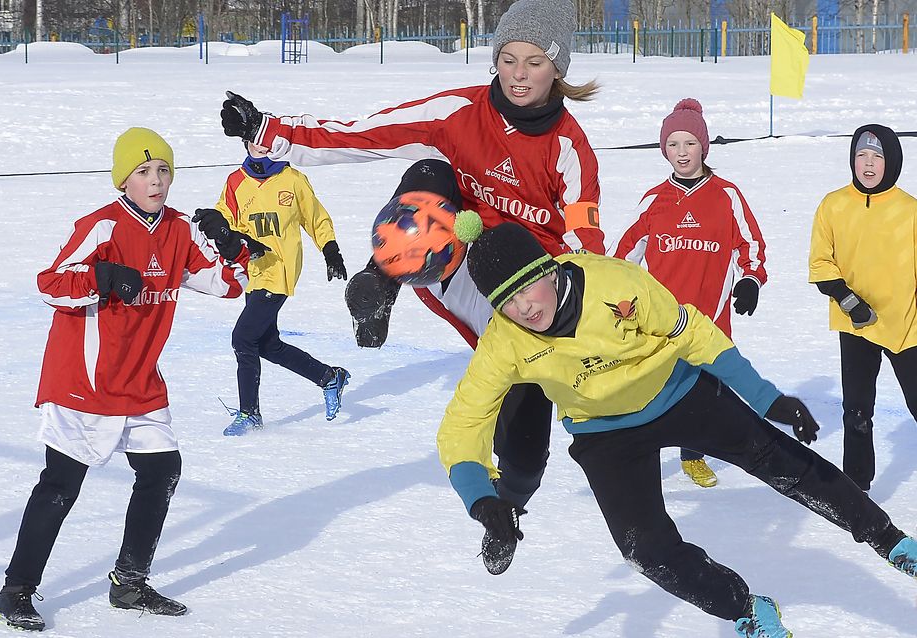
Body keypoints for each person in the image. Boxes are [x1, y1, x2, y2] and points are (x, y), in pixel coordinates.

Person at [218, 0, 604, 572]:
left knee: (524, 460)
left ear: (559, 70)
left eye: (535, 61)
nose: (518, 74)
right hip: (449, 258)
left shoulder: (569, 148)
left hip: (522, 299)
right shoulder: (461, 110)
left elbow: (586, 245)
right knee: (428, 171)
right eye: (507, 58)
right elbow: (370, 134)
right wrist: (272, 134)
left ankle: (505, 515)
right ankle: (384, 280)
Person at [439, 219, 917, 638]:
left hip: (676, 390)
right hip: (602, 432)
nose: (524, 308)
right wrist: (481, 500)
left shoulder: (614, 282)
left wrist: (765, 398)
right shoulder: (505, 340)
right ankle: (747, 610)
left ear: (548, 270)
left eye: (526, 288)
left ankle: (890, 541)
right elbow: (464, 422)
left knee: (778, 460)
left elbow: (693, 334)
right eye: (507, 303)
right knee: (644, 549)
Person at [0, 127, 263, 631]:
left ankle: (129, 582)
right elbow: (50, 284)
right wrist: (103, 277)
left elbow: (228, 286)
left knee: (162, 471)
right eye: (144, 171)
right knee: (61, 485)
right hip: (84, 382)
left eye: (163, 170)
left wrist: (232, 245)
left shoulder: (181, 230)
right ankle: (15, 591)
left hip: (140, 382)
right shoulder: (102, 227)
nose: (156, 180)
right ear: (124, 179)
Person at [613, 98, 768, 488]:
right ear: (664, 150)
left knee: (705, 390)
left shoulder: (726, 195)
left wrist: (750, 280)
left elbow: (749, 245)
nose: (681, 153)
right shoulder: (654, 200)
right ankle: (637, 455)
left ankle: (693, 454)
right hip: (662, 319)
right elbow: (625, 256)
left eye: (689, 144)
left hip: (710, 318)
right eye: (673, 145)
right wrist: (618, 298)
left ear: (704, 147)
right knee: (654, 387)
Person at [192, 141, 350, 435]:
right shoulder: (236, 181)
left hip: (280, 270)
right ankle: (329, 377)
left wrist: (330, 251)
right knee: (267, 345)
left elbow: (316, 219)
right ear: (246, 145)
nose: (261, 147)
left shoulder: (293, 180)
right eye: (255, 142)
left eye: (266, 142)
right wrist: (217, 224)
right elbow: (224, 217)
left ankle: (249, 414)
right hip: (254, 271)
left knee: (242, 338)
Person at [808, 124, 917, 492]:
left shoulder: (910, 210)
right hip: (856, 324)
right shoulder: (833, 205)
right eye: (861, 155)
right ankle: (856, 488)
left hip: (906, 326)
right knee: (856, 412)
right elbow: (821, 262)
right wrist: (849, 301)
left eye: (877, 156)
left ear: (892, 162)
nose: (868, 164)